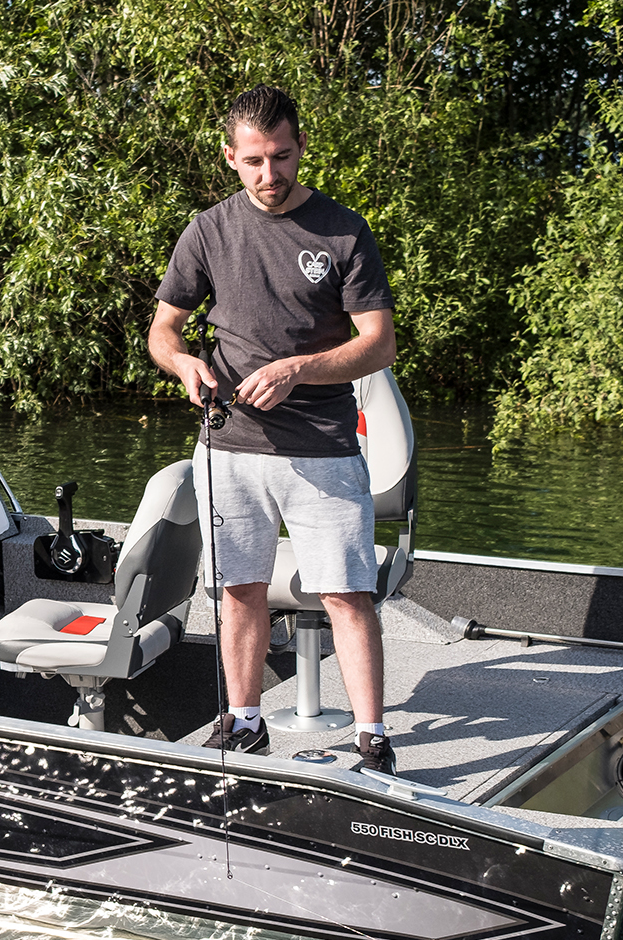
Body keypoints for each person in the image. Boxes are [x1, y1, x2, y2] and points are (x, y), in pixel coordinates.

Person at [147, 86, 399, 774]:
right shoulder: (208, 231)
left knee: (347, 594)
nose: (270, 174)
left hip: (322, 449)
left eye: (281, 157)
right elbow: (164, 330)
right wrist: (183, 363)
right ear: (230, 157)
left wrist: (299, 369)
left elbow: (378, 345)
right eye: (255, 160)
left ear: (300, 148)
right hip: (227, 444)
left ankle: (372, 740)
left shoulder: (343, 231)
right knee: (238, 589)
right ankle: (245, 723)